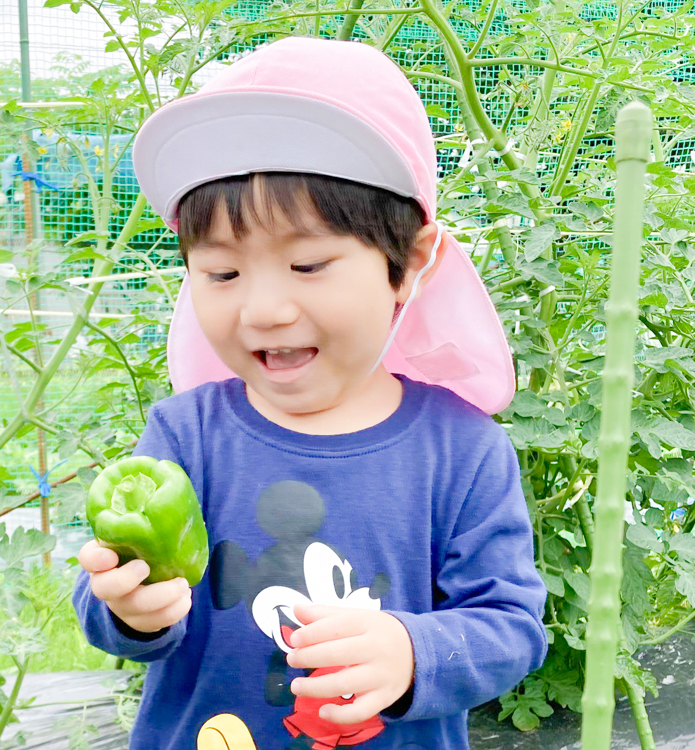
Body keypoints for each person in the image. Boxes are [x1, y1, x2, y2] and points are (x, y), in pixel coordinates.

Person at [72, 36, 548, 750]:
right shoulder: (185, 435)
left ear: (408, 263)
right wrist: (132, 611)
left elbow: (510, 625)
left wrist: (413, 651)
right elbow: (117, 596)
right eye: (222, 274)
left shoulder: (462, 450)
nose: (262, 309)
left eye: (307, 263)